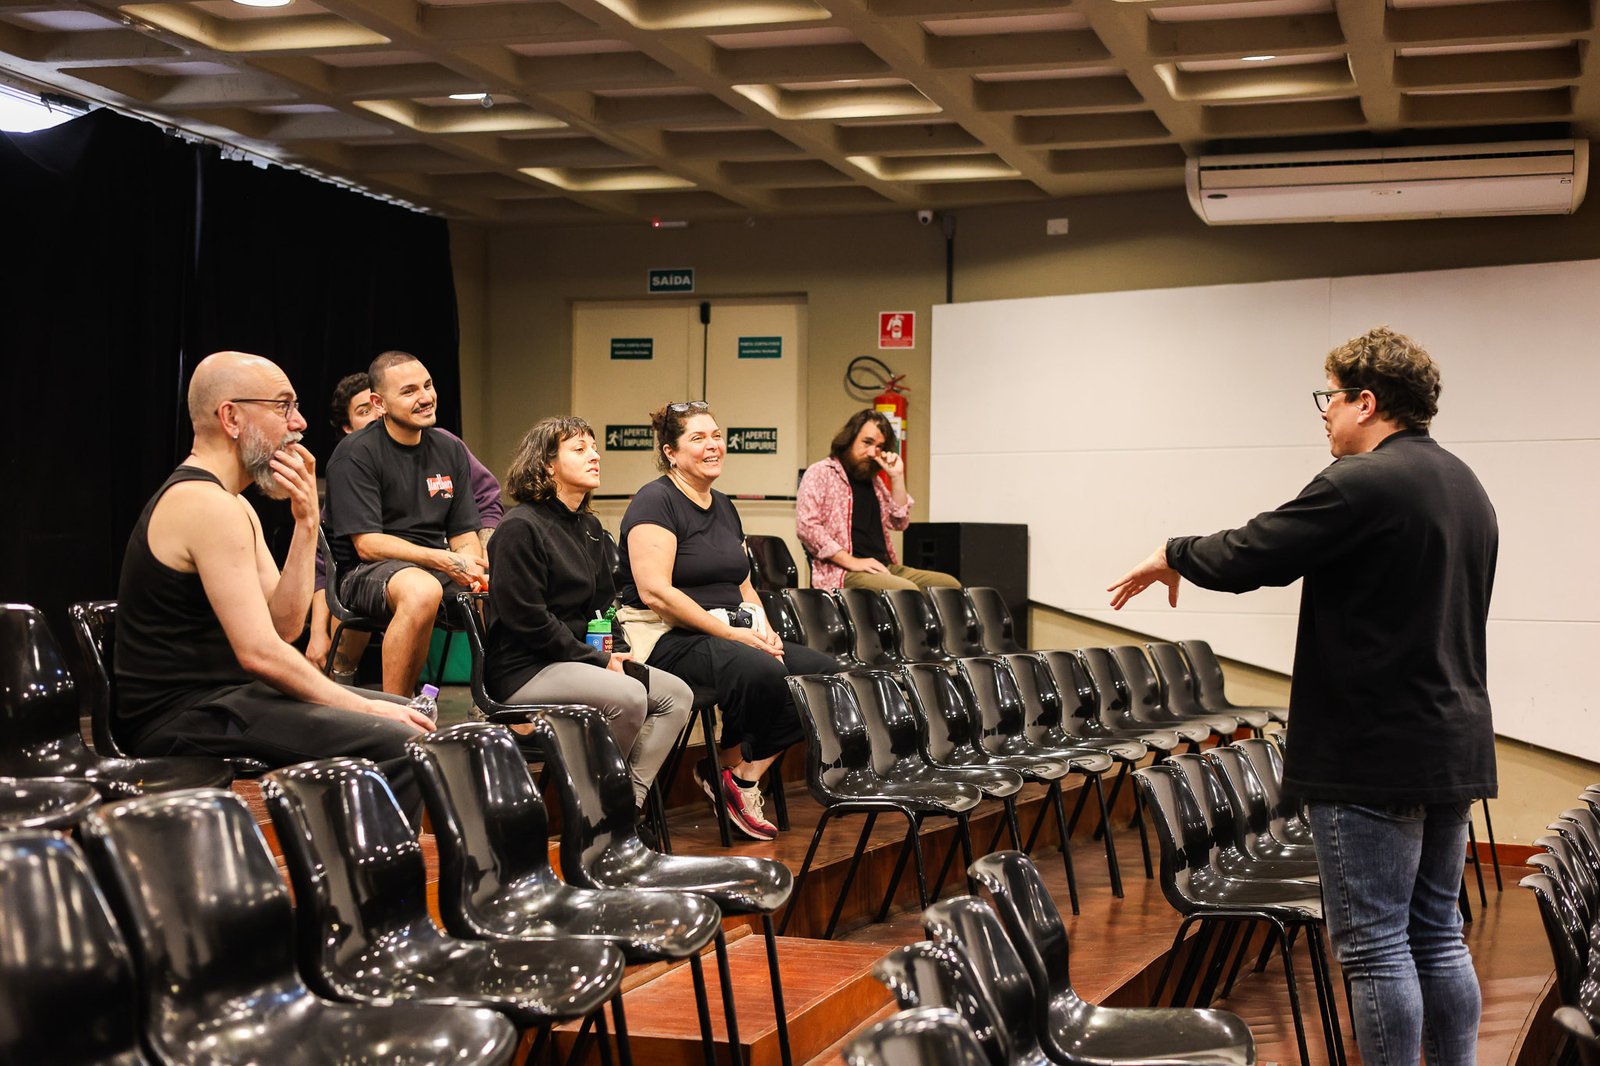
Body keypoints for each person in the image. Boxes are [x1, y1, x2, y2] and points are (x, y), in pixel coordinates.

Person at [1107, 327, 1496, 1066]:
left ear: (1367, 402)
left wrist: (1172, 552)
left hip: (1371, 752)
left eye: (1332, 397)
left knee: (1377, 945)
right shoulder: (1464, 484)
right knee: (1438, 935)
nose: (1324, 413)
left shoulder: (1363, 482)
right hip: (1451, 744)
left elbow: (1259, 550)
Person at [113, 351, 433, 820]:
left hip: (229, 699)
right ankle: (365, 885)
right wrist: (365, 709)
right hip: (181, 716)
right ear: (231, 416)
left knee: (409, 715)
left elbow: (284, 627)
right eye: (283, 406)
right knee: (400, 738)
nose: (298, 423)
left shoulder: (234, 504)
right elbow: (259, 653)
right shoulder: (203, 505)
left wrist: (306, 524)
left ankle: (345, 862)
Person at [617, 401, 843, 841]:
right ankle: (728, 762)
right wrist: (733, 634)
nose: (712, 445)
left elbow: (743, 586)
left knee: (826, 677)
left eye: (716, 435)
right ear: (671, 452)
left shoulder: (723, 505)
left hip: (729, 633)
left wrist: (763, 629)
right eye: (698, 438)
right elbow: (655, 593)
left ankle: (738, 776)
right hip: (667, 637)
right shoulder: (654, 501)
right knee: (760, 669)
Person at [485, 415, 692, 820]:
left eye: (594, 447)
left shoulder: (591, 527)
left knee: (676, 696)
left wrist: (618, 652)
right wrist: (598, 661)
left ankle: (625, 805)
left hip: (578, 659)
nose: (594, 456)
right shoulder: (519, 527)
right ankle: (595, 812)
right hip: (525, 667)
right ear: (547, 464)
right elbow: (526, 619)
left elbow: (604, 608)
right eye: (579, 449)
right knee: (629, 697)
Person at [306, 372, 504, 678]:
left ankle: (492, 703)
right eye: (409, 391)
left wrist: (474, 567)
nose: (425, 397)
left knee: (499, 591)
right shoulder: (355, 453)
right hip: (363, 572)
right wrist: (447, 559)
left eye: (427, 385)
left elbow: (465, 530)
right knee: (421, 590)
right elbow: (366, 546)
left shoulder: (449, 447)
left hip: (432, 568)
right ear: (380, 403)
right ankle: (399, 718)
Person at [796, 409, 958, 591]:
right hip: (841, 571)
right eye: (867, 442)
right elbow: (807, 527)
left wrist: (897, 476)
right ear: (849, 440)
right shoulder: (821, 472)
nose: (873, 452)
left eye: (880, 447)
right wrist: (851, 561)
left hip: (883, 567)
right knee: (905, 591)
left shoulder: (874, 481)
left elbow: (899, 522)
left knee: (950, 586)